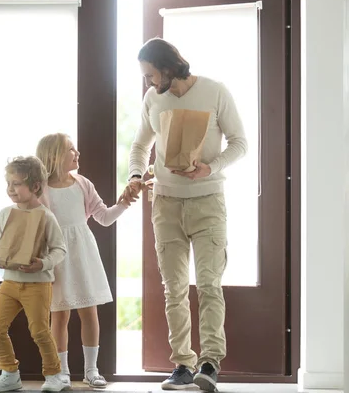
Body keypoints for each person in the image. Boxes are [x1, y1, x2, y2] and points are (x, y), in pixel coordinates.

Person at [122, 38, 248, 392]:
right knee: (173, 287)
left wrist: (210, 167)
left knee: (208, 283)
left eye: (150, 74)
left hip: (208, 200)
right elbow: (139, 146)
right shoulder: (152, 99)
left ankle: (210, 363)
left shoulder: (214, 91)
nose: (148, 82)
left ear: (168, 67)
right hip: (165, 204)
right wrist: (135, 175)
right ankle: (182, 365)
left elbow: (240, 142)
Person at [36, 133, 130, 388]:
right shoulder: (41, 189)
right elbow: (38, 226)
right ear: (55, 156)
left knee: (90, 311)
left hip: (83, 254)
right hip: (57, 256)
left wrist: (124, 202)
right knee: (60, 314)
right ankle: (62, 371)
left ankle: (92, 369)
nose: (77, 154)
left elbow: (104, 217)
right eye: (71, 150)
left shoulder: (82, 184)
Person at [0, 156, 70, 393]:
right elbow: (3, 242)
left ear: (35, 186)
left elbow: (60, 249)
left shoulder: (46, 216)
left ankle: (54, 374)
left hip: (37, 284)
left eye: (17, 184)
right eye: (8, 184)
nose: (10, 189)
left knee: (40, 330)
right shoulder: (5, 214)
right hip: (10, 282)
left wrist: (42, 264)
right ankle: (9, 373)